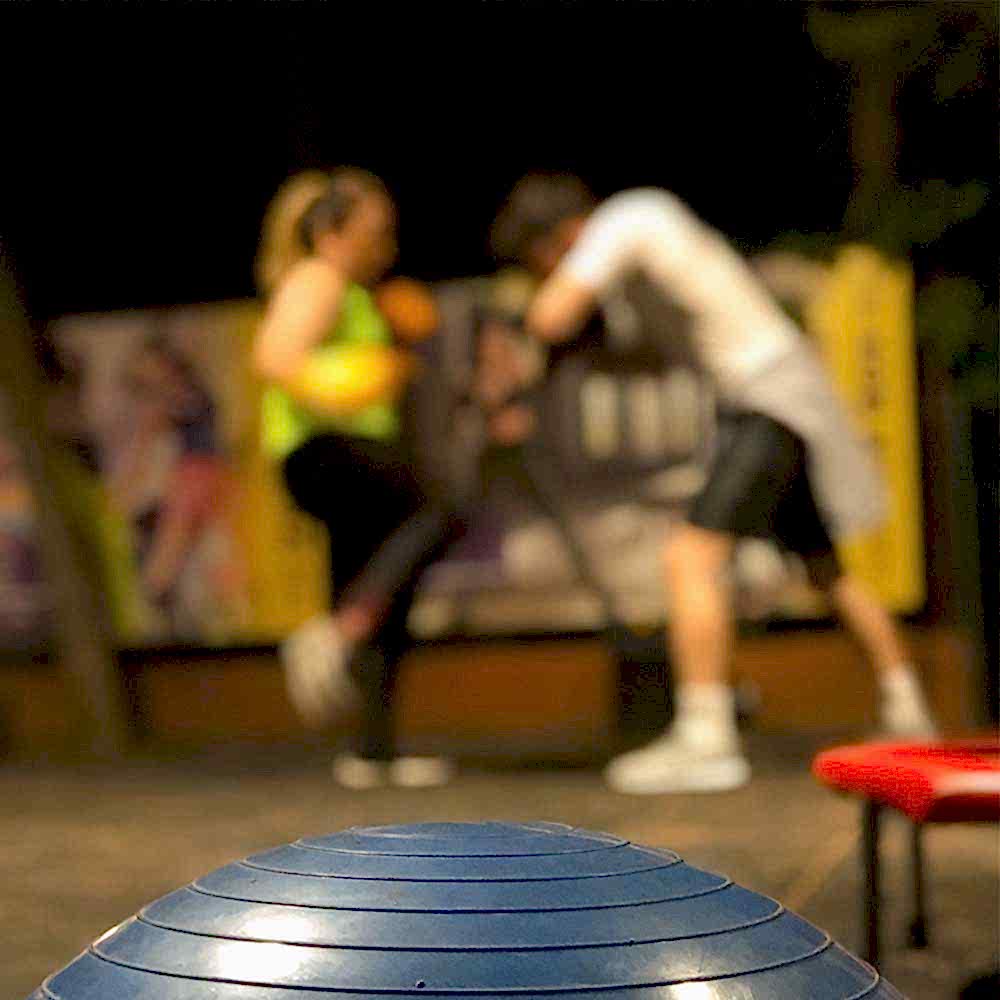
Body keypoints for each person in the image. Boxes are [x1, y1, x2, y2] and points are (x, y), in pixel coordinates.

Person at [492, 173, 937, 794]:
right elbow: (646, 355)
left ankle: (707, 738)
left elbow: (551, 316)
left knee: (689, 557)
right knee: (824, 567)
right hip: (783, 396)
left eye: (540, 261)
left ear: (558, 238)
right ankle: (909, 708)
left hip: (766, 399)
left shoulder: (629, 217)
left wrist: (509, 359)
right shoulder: (645, 265)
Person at [253, 167, 456, 790]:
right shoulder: (318, 277)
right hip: (324, 451)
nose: (385, 247)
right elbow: (274, 356)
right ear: (331, 234)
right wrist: (347, 382)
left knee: (375, 586)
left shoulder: (361, 292)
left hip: (349, 450)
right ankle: (334, 633)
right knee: (439, 505)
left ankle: (373, 751)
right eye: (374, 233)